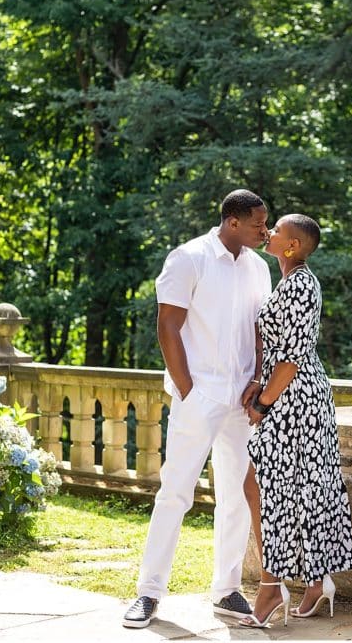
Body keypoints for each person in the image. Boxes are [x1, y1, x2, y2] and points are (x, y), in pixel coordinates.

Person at [123, 189, 272, 629]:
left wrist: (258, 380)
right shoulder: (189, 257)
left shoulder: (260, 269)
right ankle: (149, 593)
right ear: (232, 222)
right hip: (200, 395)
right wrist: (188, 388)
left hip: (242, 399)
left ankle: (226, 589)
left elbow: (262, 329)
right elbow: (168, 324)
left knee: (238, 495)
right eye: (259, 224)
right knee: (176, 492)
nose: (266, 231)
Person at [238, 214, 352, 628]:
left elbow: (293, 355)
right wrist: (259, 383)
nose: (268, 233)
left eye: (278, 231)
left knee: (261, 487)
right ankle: (315, 580)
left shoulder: (303, 284)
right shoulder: (289, 281)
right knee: (300, 486)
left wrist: (265, 402)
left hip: (296, 399)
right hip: (289, 394)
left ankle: (272, 586)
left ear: (292, 246)